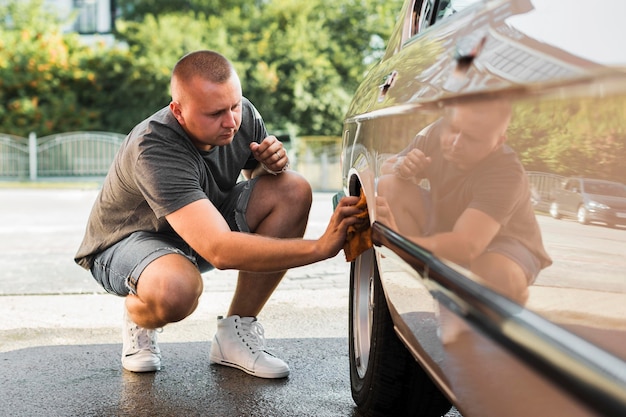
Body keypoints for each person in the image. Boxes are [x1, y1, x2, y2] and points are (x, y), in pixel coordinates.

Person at [74, 50, 362, 378]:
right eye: (215, 114)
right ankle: (140, 312)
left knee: (291, 189)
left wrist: (272, 166)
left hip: (199, 227)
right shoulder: (154, 147)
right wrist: (321, 247)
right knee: (176, 290)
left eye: (235, 106)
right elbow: (220, 250)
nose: (231, 122)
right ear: (178, 112)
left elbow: (262, 190)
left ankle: (235, 333)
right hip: (126, 242)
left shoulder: (241, 116)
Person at [377, 99, 552, 305]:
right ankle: (435, 280)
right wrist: (401, 166)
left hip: (505, 241)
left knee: (495, 272)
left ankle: (495, 317)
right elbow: (386, 168)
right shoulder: (436, 132)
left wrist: (396, 244)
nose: (456, 142)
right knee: (390, 185)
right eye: (453, 129)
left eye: (472, 138)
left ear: (498, 142)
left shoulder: (506, 172)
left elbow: (467, 246)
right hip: (450, 224)